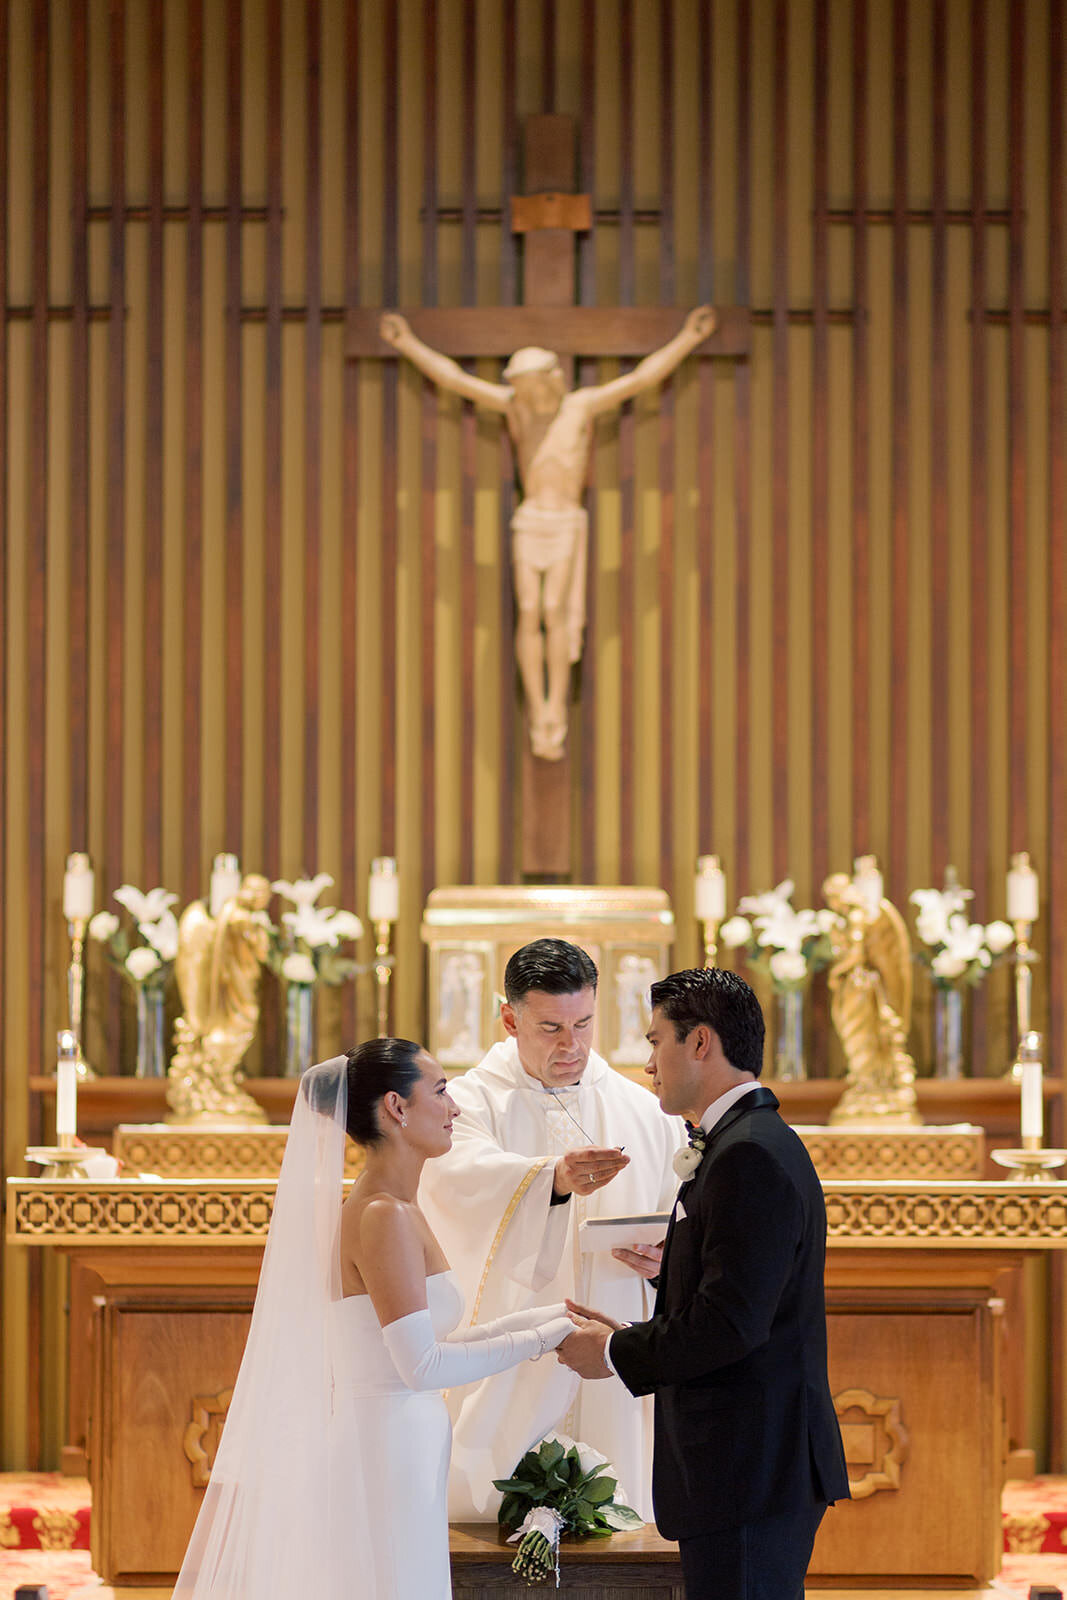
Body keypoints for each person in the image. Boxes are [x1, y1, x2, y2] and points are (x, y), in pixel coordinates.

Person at [172, 1040, 575, 1600]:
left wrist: (551, 1317)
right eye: (439, 1091)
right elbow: (422, 1366)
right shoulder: (382, 1214)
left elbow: (437, 1340)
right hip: (385, 1446)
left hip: (404, 1438)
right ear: (396, 1107)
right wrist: (539, 1339)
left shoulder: (399, 1206)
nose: (454, 1107)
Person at [558, 967, 849, 1600]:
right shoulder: (742, 1142)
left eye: (655, 1039)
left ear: (700, 1043)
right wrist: (668, 1284)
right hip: (748, 1462)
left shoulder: (749, 1153)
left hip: (749, 1464)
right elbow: (742, 1288)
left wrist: (613, 1353)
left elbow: (732, 1324)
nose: (648, 1062)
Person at [418, 938, 685, 1522]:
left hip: (616, 1339)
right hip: (514, 1349)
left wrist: (672, 1259)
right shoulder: (466, 1102)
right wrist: (553, 1179)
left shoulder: (641, 1109)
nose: (573, 1046)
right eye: (550, 1028)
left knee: (620, 1513)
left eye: (584, 1024)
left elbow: (682, 1211)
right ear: (510, 1020)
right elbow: (451, 1181)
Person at [380, 305, 716, 759]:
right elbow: (456, 381)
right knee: (530, 607)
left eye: (533, 381)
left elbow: (640, 380)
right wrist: (406, 344)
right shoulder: (516, 409)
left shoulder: (580, 406)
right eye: (521, 383)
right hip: (530, 518)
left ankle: (556, 704)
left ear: (550, 378)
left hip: (564, 521)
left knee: (555, 607)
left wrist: (688, 339)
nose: (528, 390)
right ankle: (537, 706)